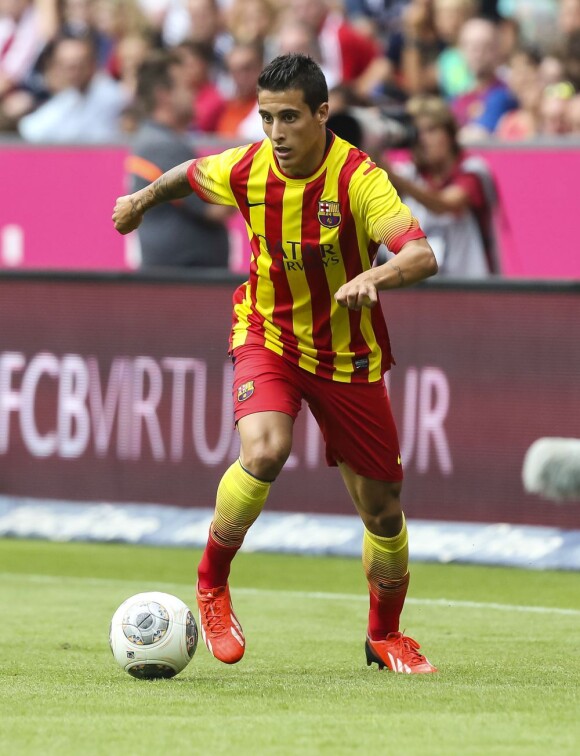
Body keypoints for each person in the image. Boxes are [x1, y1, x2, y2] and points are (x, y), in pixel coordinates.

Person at [112, 53, 439, 674]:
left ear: (322, 114)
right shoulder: (250, 165)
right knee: (264, 450)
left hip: (348, 356)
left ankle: (385, 635)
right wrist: (142, 199)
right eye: (265, 118)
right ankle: (211, 586)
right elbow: (189, 172)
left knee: (384, 511)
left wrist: (378, 273)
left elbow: (421, 254)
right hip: (269, 335)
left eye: (288, 118)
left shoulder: (360, 180)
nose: (275, 133)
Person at [127, 51, 230, 268]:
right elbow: (217, 207)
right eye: (186, 87)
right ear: (164, 95)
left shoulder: (157, 141)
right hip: (183, 281)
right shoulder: (162, 146)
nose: (194, 94)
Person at [385, 95, 497, 276]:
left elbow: (445, 205)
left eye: (431, 130)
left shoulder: (472, 170)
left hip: (470, 285)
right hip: (422, 288)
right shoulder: (407, 173)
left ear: (450, 134)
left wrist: (398, 180)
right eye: (417, 133)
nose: (423, 139)